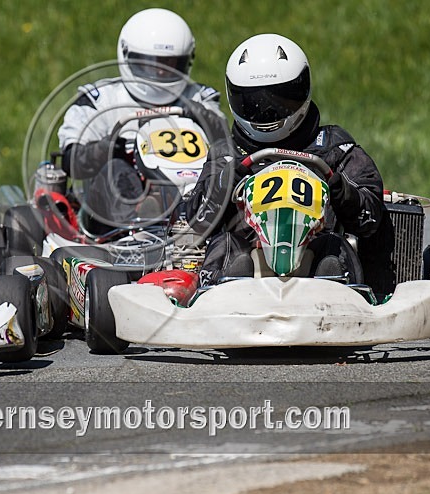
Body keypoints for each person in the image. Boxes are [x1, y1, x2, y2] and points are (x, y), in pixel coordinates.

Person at [183, 34, 396, 295]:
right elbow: (198, 220)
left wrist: (342, 191)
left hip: (314, 254)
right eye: (253, 102)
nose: (266, 112)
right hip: (250, 257)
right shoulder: (227, 153)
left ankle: (336, 290)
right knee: (228, 245)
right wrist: (223, 183)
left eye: (279, 100)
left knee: (333, 248)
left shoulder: (333, 147)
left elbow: (370, 218)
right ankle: (225, 291)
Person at [57, 7, 228, 235]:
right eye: (150, 65)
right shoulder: (100, 99)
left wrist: (208, 121)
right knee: (116, 169)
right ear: (126, 55)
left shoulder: (198, 98)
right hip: (118, 209)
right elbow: (71, 161)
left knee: (221, 171)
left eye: (169, 65)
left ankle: (188, 224)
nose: (159, 75)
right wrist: (106, 149)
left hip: (190, 193)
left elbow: (228, 149)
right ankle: (137, 229)